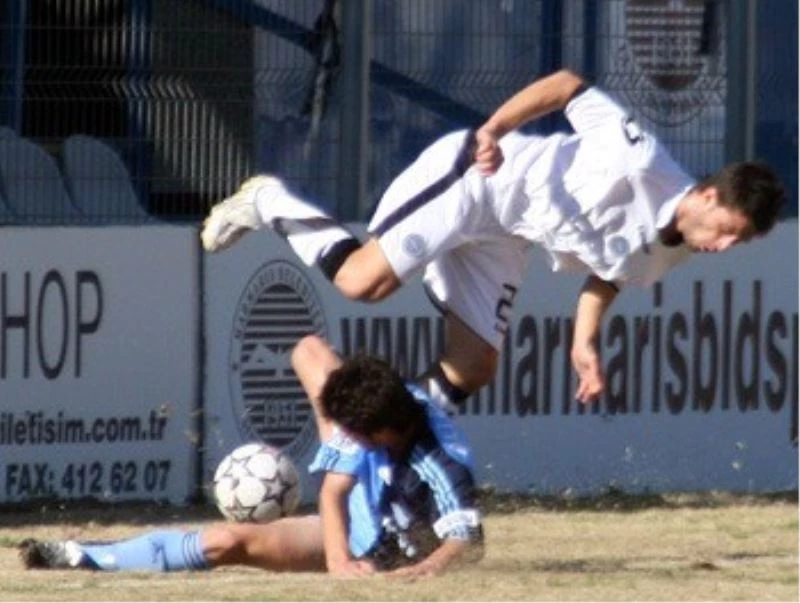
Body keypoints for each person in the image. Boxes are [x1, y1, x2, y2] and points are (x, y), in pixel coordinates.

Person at [200, 68, 786, 410]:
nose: (723, 248)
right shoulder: (640, 158)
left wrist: (584, 343)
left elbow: (610, 275)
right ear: (710, 197)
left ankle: (381, 445)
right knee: (362, 282)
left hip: (505, 234)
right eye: (728, 232)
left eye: (737, 244)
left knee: (473, 367)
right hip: (477, 179)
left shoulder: (679, 246)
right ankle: (268, 200)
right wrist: (493, 131)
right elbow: (567, 86)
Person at [19, 335, 484, 577]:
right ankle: (84, 555)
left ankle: (97, 555)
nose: (340, 434)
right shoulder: (380, 406)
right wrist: (337, 559)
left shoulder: (442, 463)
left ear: (376, 433)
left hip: (380, 549)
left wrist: (420, 571)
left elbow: (469, 542)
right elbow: (334, 492)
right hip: (351, 527)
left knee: (232, 544)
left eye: (349, 432)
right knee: (311, 351)